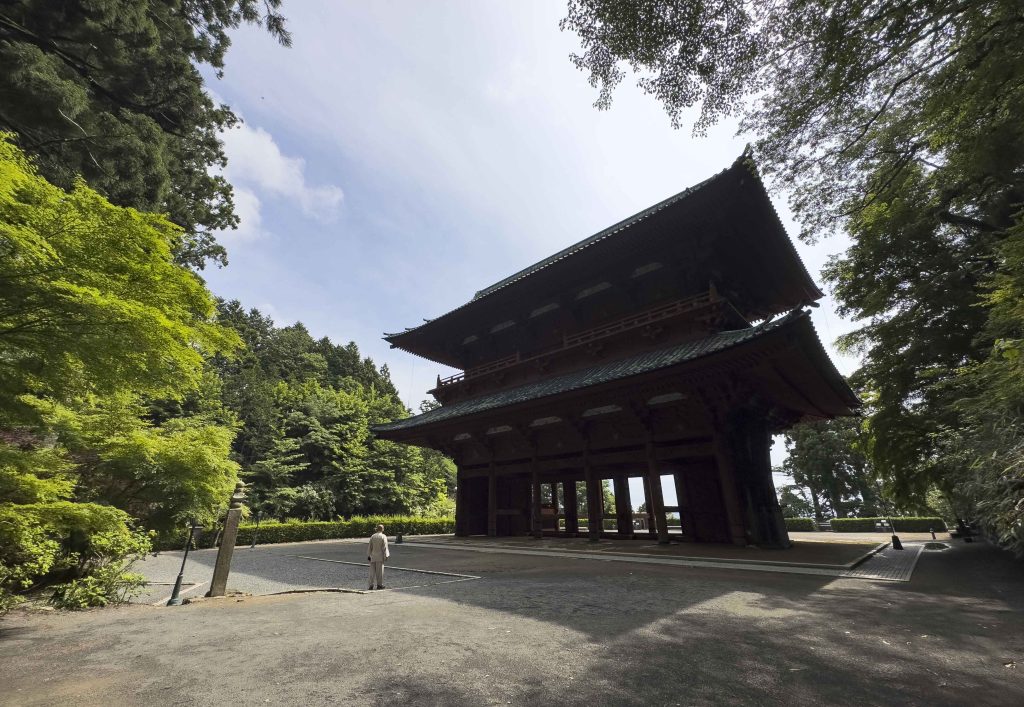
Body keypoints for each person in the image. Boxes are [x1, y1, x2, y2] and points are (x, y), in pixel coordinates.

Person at [367, 524, 390, 590]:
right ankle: (379, 585)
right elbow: (385, 547)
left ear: (377, 529)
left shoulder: (373, 536)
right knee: (380, 572)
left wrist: (369, 555)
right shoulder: (383, 536)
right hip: (380, 556)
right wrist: (386, 555)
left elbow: (370, 546)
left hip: (373, 556)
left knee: (371, 571)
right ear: (382, 529)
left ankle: (370, 585)